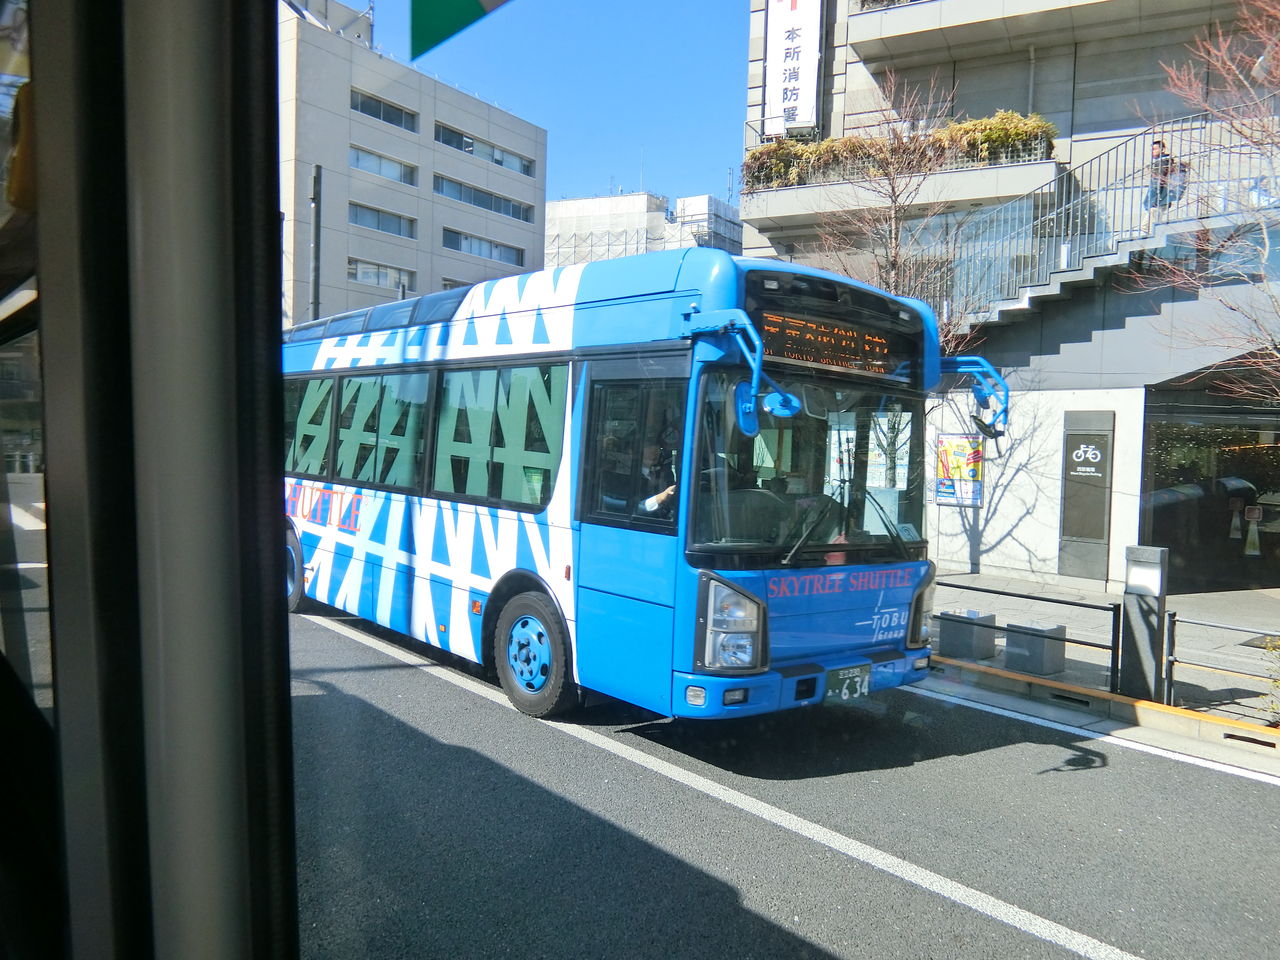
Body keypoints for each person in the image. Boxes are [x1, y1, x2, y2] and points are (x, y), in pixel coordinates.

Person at [637, 442, 677, 516]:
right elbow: (633, 509)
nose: (655, 451)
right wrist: (661, 497)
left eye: (657, 448)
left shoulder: (664, 474)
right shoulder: (628, 476)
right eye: (649, 447)